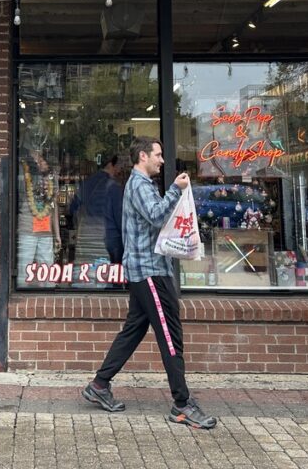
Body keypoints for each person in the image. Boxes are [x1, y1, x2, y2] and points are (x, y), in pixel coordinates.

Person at [81, 136, 217, 429]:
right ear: (143, 156)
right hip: (149, 271)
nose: (162, 160)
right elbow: (156, 217)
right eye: (158, 154)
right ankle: (182, 405)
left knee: (134, 329)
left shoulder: (142, 185)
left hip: (150, 270)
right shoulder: (140, 185)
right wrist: (176, 190)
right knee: (170, 335)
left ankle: (99, 385)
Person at [69, 152, 124, 285]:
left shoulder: (87, 183)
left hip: (84, 239)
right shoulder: (114, 187)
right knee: (105, 279)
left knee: (84, 276)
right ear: (111, 164)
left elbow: (72, 208)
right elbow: (119, 218)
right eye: (119, 166)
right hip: (105, 240)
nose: (120, 170)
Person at [16, 147, 61, 288]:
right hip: (27, 229)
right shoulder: (22, 173)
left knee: (48, 274)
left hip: (46, 232)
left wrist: (57, 234)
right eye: (36, 157)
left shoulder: (51, 178)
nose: (39, 160)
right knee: (24, 272)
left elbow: (54, 207)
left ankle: (48, 300)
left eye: (41, 158)